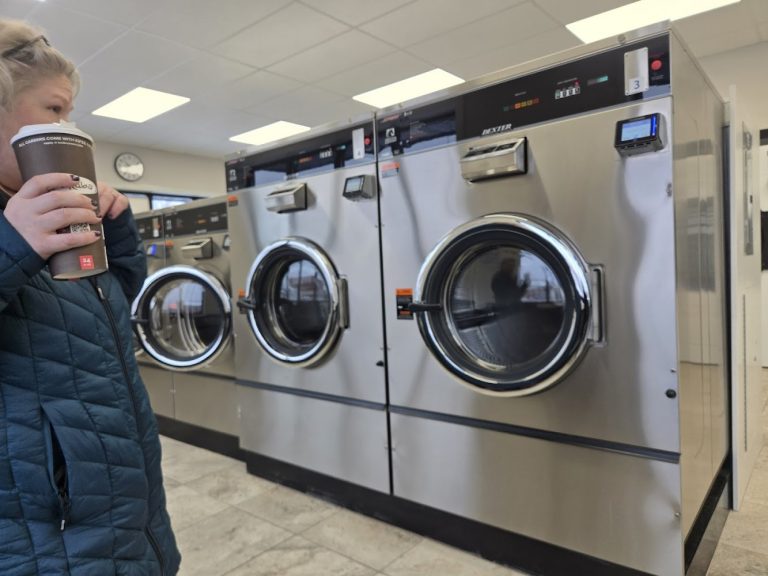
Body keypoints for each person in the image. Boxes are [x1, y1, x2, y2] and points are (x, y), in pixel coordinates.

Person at [0, 19, 181, 575]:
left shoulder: (42, 214)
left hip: (122, 499)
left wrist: (118, 234)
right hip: (51, 531)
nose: (69, 125)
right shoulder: (20, 227)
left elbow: (107, 319)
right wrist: (13, 243)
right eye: (54, 110)